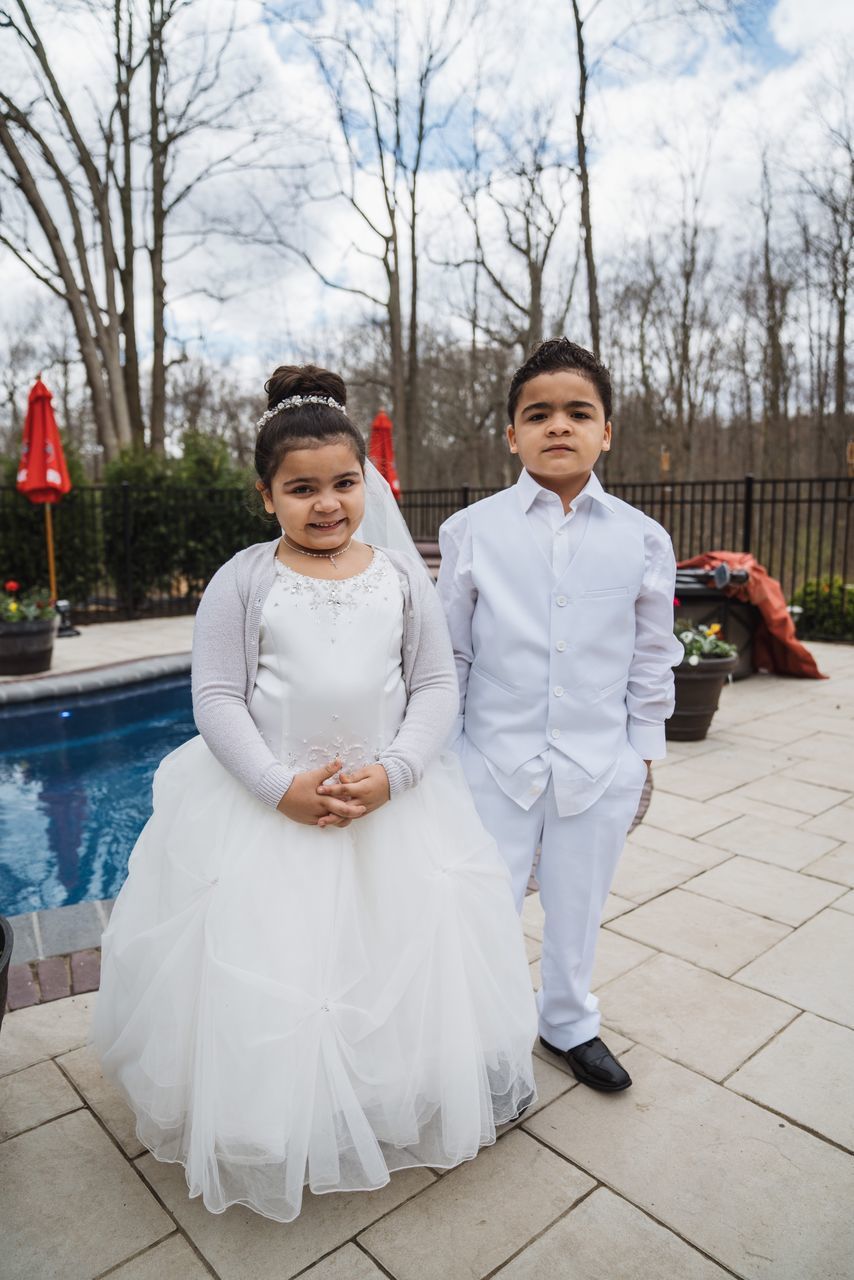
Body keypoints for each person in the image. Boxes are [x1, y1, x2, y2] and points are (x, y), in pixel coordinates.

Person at [94, 366, 536, 1223]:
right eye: (301, 489)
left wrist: (396, 771)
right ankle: (274, 1114)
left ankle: (384, 1100)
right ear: (267, 497)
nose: (326, 503)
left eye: (343, 483)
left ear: (364, 482)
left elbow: (437, 687)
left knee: (392, 966)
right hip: (270, 808)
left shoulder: (402, 580)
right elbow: (217, 696)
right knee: (280, 973)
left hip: (390, 807)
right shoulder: (243, 580)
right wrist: (276, 786)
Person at [438, 338, 682, 1093]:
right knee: (486, 906)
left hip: (595, 760)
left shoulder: (643, 537)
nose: (558, 427)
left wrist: (641, 754)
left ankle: (568, 1021)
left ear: (606, 430)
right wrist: (449, 755)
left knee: (580, 903)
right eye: (537, 414)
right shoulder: (472, 531)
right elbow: (452, 654)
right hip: (492, 759)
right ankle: (489, 1036)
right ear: (511, 434)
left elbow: (651, 653)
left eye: (579, 412)